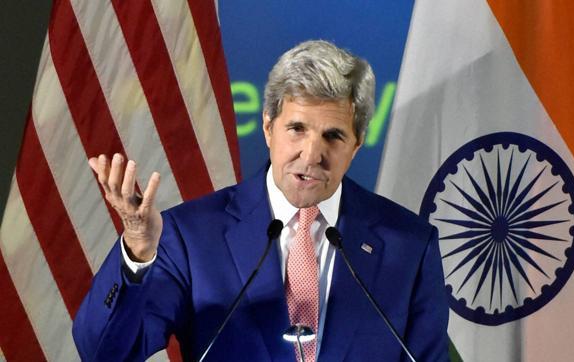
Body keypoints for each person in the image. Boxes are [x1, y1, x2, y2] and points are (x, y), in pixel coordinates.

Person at [72, 40, 449, 361]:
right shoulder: (190, 237)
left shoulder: (410, 246)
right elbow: (105, 353)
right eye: (297, 129)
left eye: (333, 136)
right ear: (268, 126)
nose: (312, 154)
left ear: (357, 144)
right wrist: (137, 252)